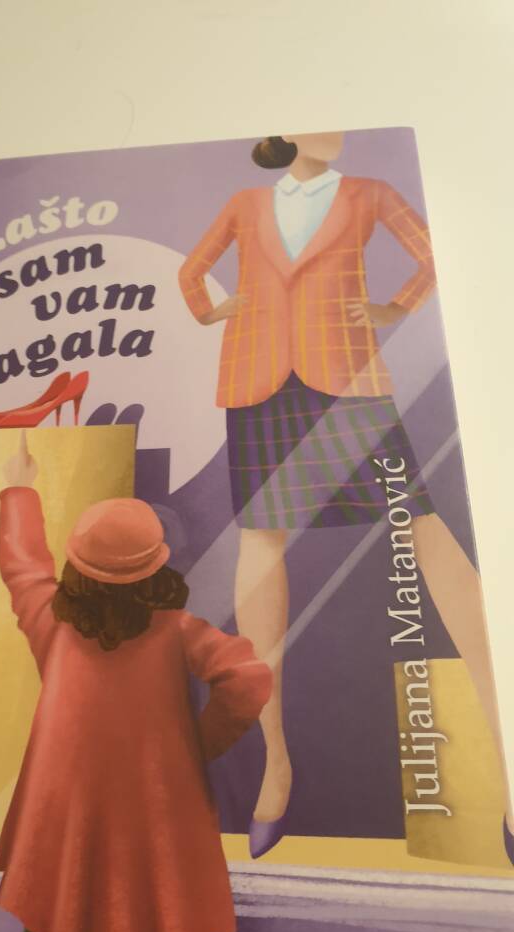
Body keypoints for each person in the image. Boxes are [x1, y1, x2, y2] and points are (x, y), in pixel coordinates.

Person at [179, 131, 511, 862]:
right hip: (260, 384)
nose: (332, 130)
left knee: (424, 527)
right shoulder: (244, 203)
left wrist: (396, 307)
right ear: (283, 135)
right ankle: (275, 765)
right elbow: (191, 272)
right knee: (261, 544)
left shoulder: (370, 194)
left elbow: (434, 255)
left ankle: (509, 759)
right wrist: (211, 312)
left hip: (349, 380)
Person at [0, 432, 272, 932]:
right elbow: (249, 677)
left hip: (64, 839)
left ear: (76, 569)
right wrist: (199, 745)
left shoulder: (51, 623)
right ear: (157, 570)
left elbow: (22, 566)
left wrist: (18, 490)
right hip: (162, 838)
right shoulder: (180, 631)